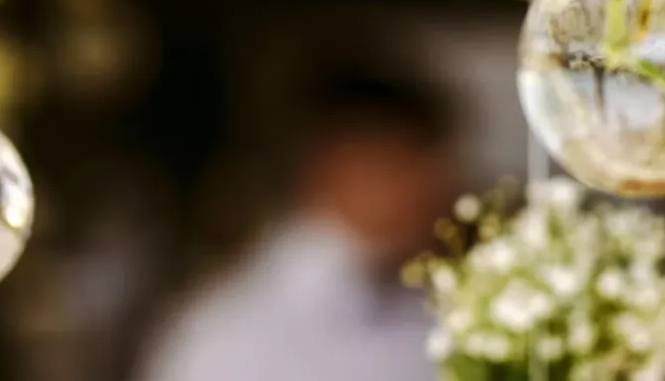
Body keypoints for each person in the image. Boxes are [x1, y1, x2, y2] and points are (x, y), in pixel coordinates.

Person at [136, 71, 458, 381]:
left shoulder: (416, 308)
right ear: (336, 167)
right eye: (407, 164)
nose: (436, 189)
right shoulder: (231, 331)